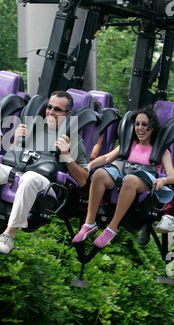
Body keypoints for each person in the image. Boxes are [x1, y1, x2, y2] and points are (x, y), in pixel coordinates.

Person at [0, 90, 89, 255]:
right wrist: (16, 141)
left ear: (68, 114)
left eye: (57, 109)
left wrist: (67, 156)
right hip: (19, 172)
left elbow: (83, 180)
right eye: (49, 107)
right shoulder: (33, 127)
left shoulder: (73, 138)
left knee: (30, 177)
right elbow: (12, 156)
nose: (51, 112)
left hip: (46, 184)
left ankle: (9, 235)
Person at [72, 105, 174, 248]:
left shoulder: (161, 150)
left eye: (144, 125)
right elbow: (107, 158)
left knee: (130, 180)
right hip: (123, 174)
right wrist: (89, 166)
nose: (140, 128)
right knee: (100, 174)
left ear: (152, 128)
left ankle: (112, 228)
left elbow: (172, 175)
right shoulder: (129, 144)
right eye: (137, 124)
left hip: (145, 180)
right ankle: (89, 223)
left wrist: (163, 180)